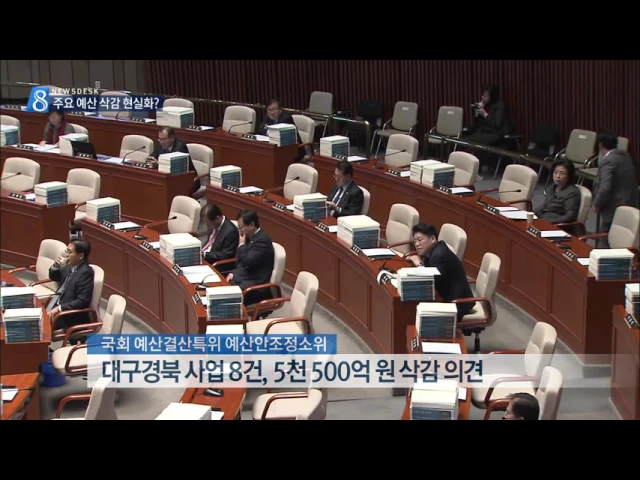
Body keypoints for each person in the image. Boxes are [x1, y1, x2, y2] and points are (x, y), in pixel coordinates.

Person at [407, 223, 474, 320]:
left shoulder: (440, 254)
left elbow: (429, 281)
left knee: (413, 311)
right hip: (445, 295)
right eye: (415, 241)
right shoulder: (434, 250)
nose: (417, 244)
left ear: (433, 239)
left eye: (420, 240)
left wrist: (419, 264)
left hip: (457, 303)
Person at [592, 130, 639, 247]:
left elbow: (605, 188)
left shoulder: (608, 161)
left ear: (600, 144)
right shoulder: (626, 156)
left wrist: (597, 203)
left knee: (605, 238)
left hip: (613, 207)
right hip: (630, 203)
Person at [226, 210, 275, 306]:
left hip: (257, 286)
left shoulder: (262, 241)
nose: (240, 231)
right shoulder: (250, 237)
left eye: (241, 227)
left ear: (251, 225)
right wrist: (234, 273)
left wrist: (241, 245)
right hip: (248, 276)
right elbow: (241, 261)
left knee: (229, 297)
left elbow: (248, 261)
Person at [47, 239, 95, 336]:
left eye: (69, 252)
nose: (66, 255)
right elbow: (54, 277)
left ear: (80, 256)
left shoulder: (85, 273)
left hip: (68, 315)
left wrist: (59, 308)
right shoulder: (68, 266)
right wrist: (55, 266)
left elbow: (82, 301)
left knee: (38, 327)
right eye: (66, 251)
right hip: (54, 304)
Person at [463, 84, 511, 171]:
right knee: (464, 139)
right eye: (483, 95)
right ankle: (472, 168)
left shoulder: (500, 106)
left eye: (486, 96)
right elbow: (476, 125)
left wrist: (485, 114)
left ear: (492, 96)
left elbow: (497, 124)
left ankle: (474, 170)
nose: (483, 98)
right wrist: (477, 114)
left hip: (496, 134)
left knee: (472, 142)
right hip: (484, 132)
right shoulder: (485, 105)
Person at [147, 126, 201, 194]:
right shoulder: (161, 146)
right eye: (159, 139)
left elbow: (176, 168)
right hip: (172, 180)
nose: (161, 142)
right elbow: (152, 157)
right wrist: (150, 160)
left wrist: (159, 164)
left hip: (188, 181)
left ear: (172, 138)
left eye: (164, 139)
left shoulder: (180, 147)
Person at [534, 158, 581, 227]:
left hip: (557, 225)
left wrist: (548, 222)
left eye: (562, 173)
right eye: (555, 172)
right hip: (543, 219)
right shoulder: (552, 187)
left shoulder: (572, 193)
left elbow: (569, 217)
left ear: (569, 175)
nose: (557, 176)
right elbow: (545, 205)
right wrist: (531, 213)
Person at [257, 98, 305, 162]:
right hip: (276, 148)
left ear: (280, 109)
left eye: (274, 109)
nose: (271, 113)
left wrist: (268, 131)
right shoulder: (268, 117)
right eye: (269, 110)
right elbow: (260, 129)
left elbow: (280, 134)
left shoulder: (286, 118)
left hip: (293, 150)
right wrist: (269, 132)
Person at [200, 203, 239, 273]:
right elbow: (209, 242)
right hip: (205, 259)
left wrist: (205, 254)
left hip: (218, 265)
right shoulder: (215, 225)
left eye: (208, 223)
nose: (207, 225)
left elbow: (225, 255)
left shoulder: (231, 232)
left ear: (217, 218)